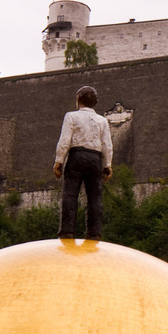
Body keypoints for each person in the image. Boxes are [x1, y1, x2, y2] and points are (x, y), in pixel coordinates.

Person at [54, 86, 113, 239]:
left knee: (70, 194)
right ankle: (94, 232)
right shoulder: (103, 121)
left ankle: (67, 230)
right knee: (95, 197)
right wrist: (107, 165)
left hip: (76, 156)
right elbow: (107, 144)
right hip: (95, 158)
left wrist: (59, 161)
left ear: (78, 100)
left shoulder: (71, 116)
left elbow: (65, 140)